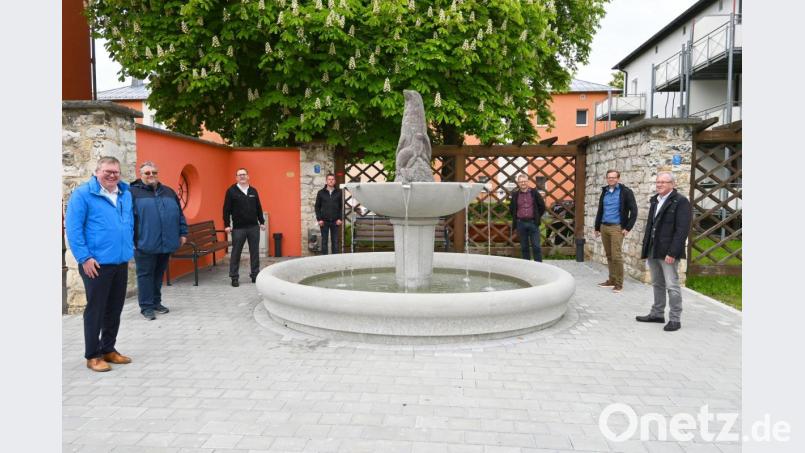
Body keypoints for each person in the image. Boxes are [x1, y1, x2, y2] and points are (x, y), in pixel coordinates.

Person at [65, 156, 135, 372]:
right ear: (97, 172)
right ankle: (93, 355)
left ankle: (108, 349)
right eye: (107, 171)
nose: (112, 175)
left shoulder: (125, 194)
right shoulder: (82, 195)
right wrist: (84, 258)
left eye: (116, 172)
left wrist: (129, 247)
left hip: (120, 261)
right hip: (95, 264)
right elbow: (73, 229)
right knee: (96, 309)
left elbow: (129, 223)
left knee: (114, 308)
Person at [131, 161, 188, 320]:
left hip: (166, 242)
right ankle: (146, 307)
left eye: (154, 172)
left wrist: (183, 233)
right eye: (147, 173)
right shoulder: (132, 193)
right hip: (144, 243)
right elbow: (127, 219)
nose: (151, 175)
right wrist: (131, 240)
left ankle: (156, 302)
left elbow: (180, 214)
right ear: (141, 175)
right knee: (145, 275)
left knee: (158, 274)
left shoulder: (168, 192)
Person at [636, 172, 692, 332]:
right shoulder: (655, 200)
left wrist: (673, 252)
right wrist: (646, 249)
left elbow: (682, 230)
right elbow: (650, 226)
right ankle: (657, 314)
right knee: (657, 283)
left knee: (672, 285)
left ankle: (675, 319)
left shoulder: (681, 201)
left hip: (668, 251)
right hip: (653, 249)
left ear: (672, 184)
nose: (659, 184)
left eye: (663, 182)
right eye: (658, 182)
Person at [593, 170, 638, 293]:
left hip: (617, 228)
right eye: (609, 177)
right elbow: (600, 210)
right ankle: (611, 280)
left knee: (616, 256)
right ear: (606, 178)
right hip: (604, 227)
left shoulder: (626, 192)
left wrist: (628, 228)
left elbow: (634, 211)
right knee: (609, 255)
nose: (611, 179)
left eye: (613, 177)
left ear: (618, 178)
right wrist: (597, 227)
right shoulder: (605, 191)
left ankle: (619, 283)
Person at [223, 168, 266, 287]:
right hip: (238, 228)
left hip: (253, 227)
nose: (242, 176)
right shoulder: (231, 191)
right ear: (236, 178)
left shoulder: (253, 191)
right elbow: (226, 210)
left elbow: (258, 207)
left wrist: (262, 222)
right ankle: (234, 277)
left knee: (254, 252)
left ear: (248, 176)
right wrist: (227, 225)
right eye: (239, 175)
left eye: (244, 174)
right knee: (236, 253)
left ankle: (255, 275)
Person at [509, 173, 546, 262]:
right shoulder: (515, 195)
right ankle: (527, 266)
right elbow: (512, 208)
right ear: (518, 183)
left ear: (528, 182)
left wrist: (537, 216)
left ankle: (538, 265)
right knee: (524, 247)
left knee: (536, 246)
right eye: (521, 182)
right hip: (521, 223)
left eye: (524, 181)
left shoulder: (534, 192)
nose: (523, 183)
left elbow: (542, 206)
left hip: (533, 223)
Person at [314, 173, 343, 254]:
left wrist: (340, 218)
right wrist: (319, 219)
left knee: (335, 242)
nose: (331, 181)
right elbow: (317, 207)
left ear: (335, 181)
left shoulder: (339, 192)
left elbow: (341, 207)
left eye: (332, 179)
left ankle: (335, 259)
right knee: (324, 242)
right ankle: (324, 259)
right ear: (326, 181)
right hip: (324, 221)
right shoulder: (321, 193)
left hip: (335, 221)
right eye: (329, 179)